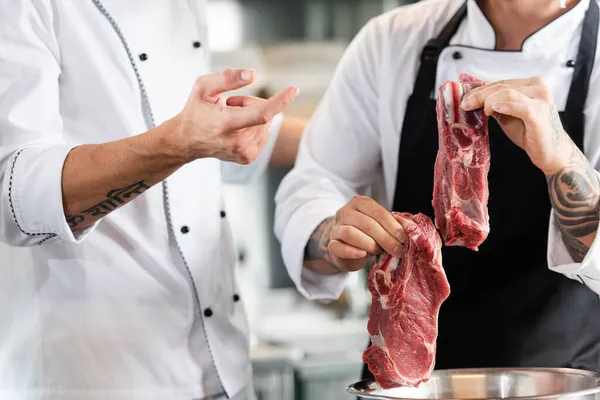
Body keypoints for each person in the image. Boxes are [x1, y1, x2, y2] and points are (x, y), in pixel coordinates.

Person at [275, 0, 600, 379]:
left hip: (565, 384)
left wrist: (564, 160)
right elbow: (314, 183)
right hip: (409, 381)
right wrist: (334, 236)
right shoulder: (392, 41)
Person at [0, 1, 305, 399]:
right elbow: (15, 195)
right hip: (94, 378)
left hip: (222, 371)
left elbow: (203, 139)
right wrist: (178, 143)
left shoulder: (182, 10)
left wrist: (366, 136)